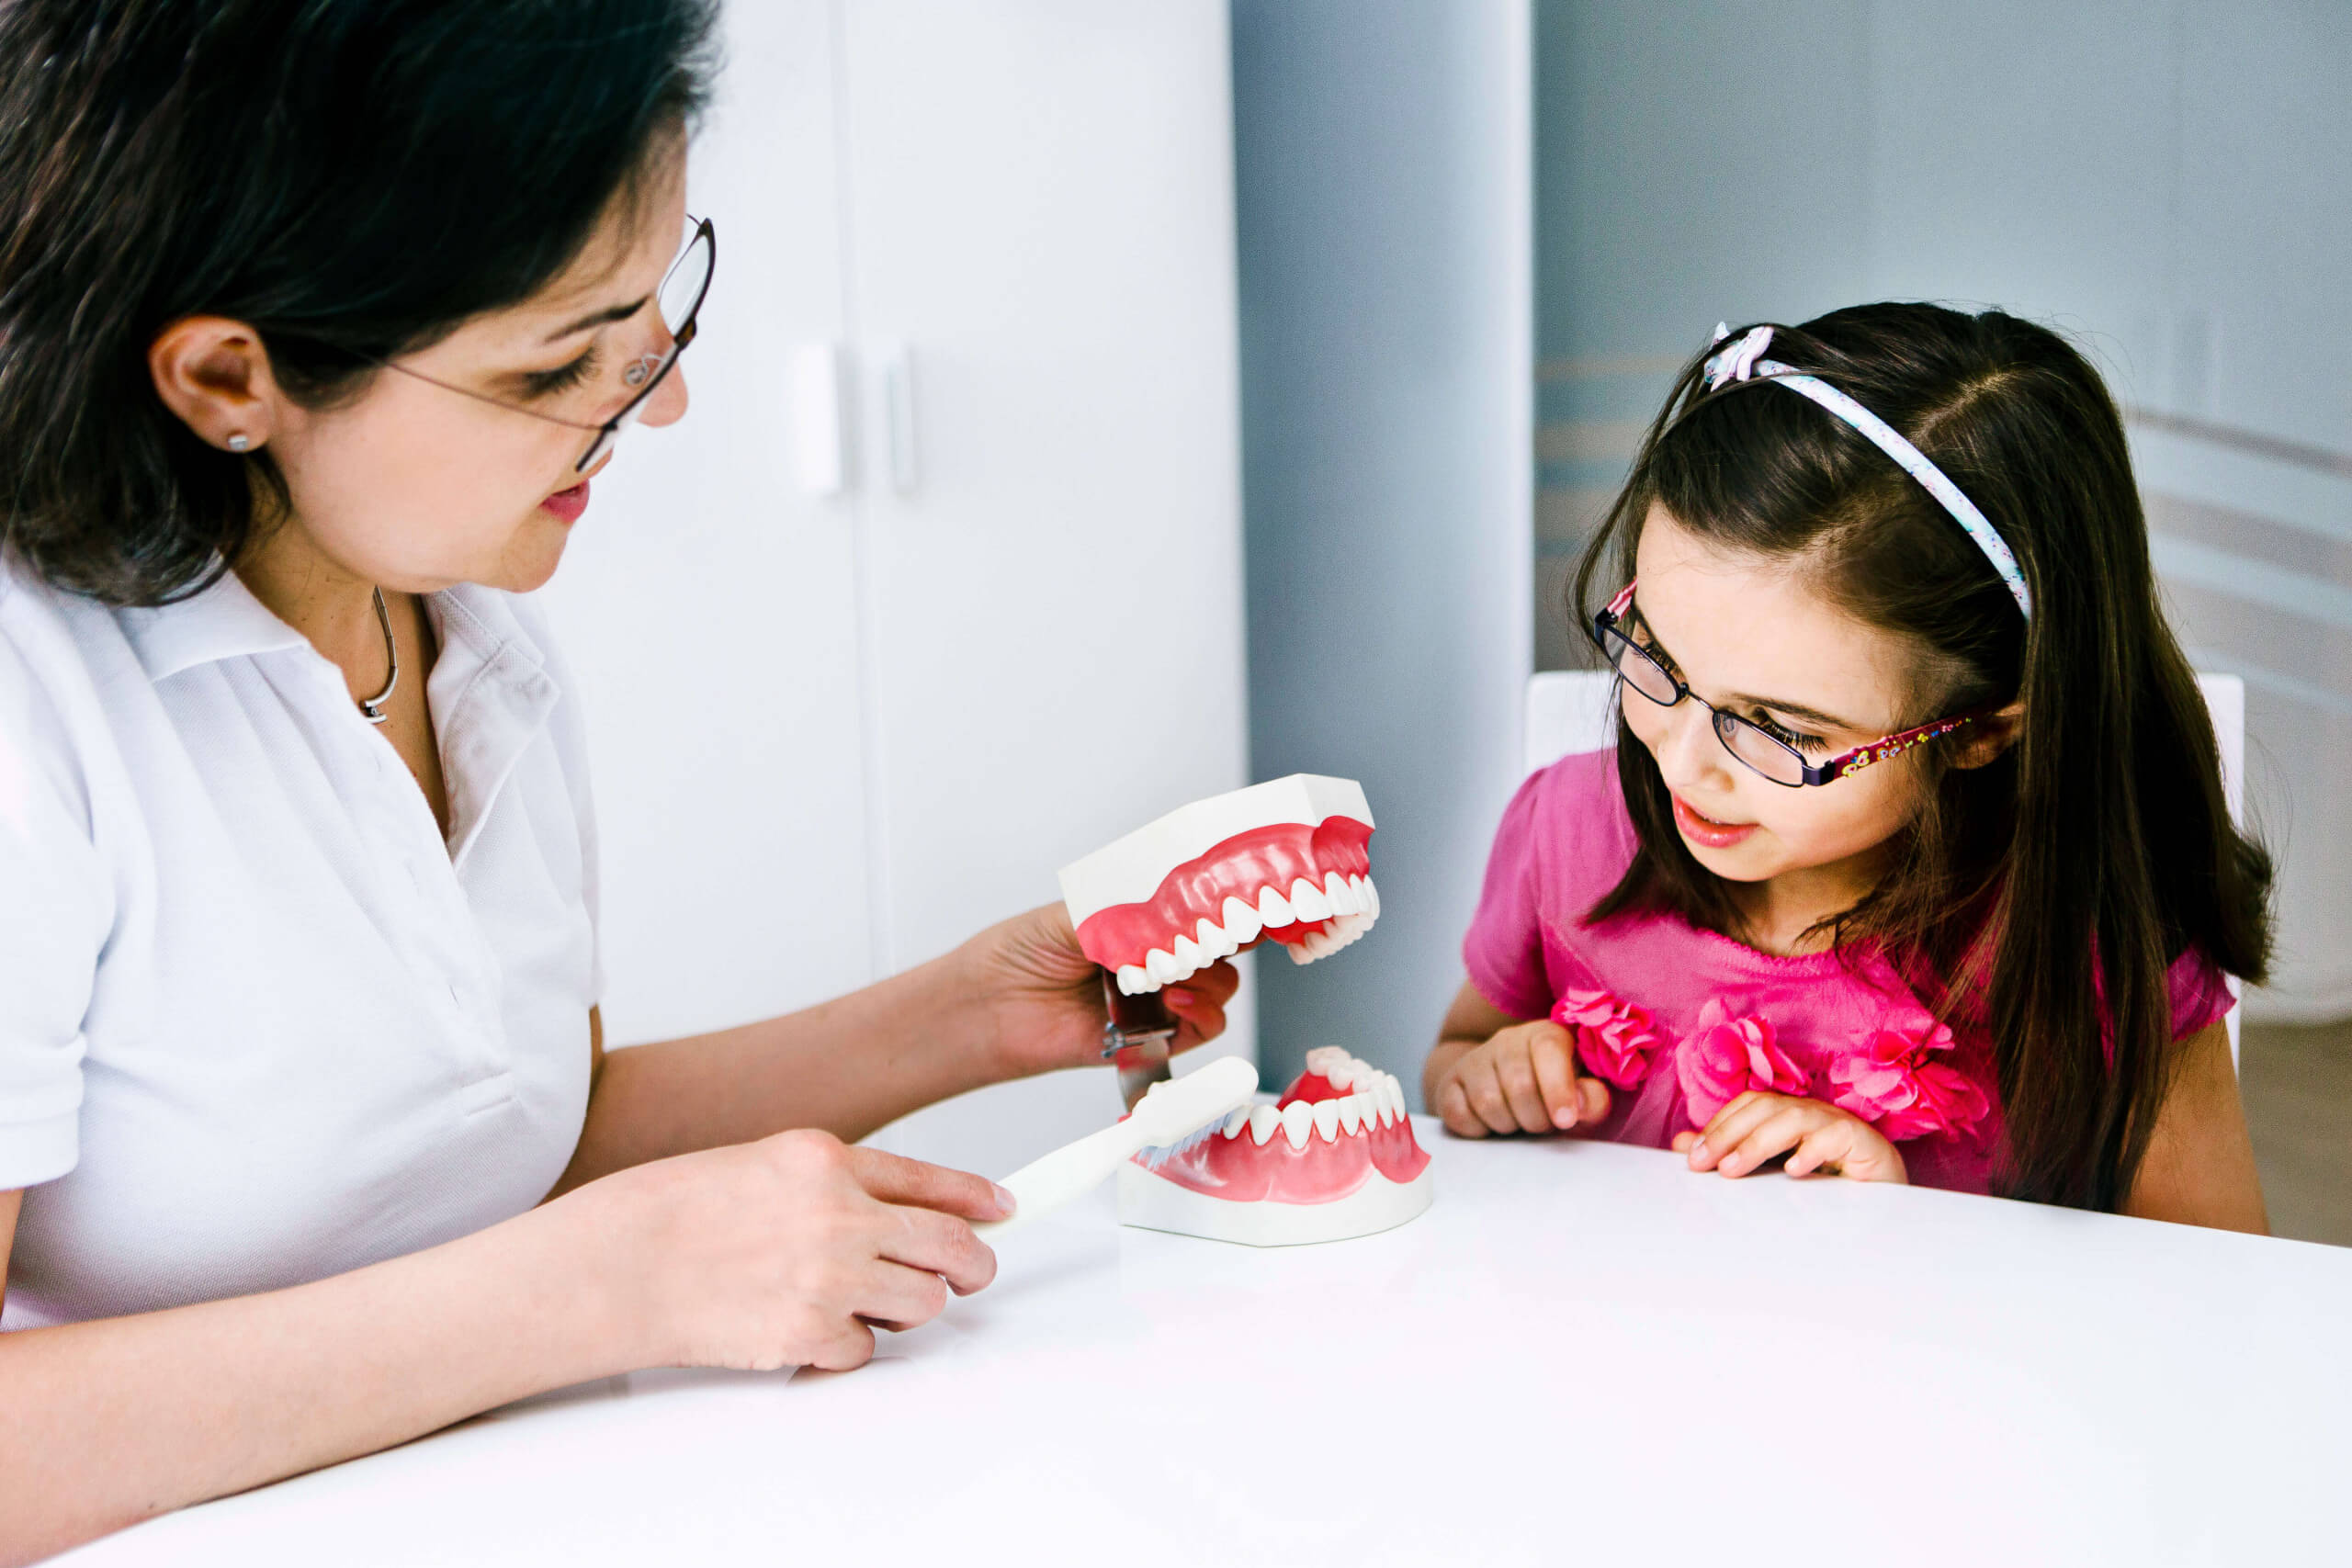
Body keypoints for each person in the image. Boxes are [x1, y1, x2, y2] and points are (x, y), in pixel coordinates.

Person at [0, 3, 1236, 1559]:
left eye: (655, 311)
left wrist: (970, 1015)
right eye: (555, 362)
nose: (659, 403)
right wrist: (593, 1286)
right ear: (227, 377)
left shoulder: (473, 637)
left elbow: (508, 1146)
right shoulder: (34, 711)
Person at [1422, 303, 2271, 1228]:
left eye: (1778, 729)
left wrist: (1898, 1236)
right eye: (1655, 656)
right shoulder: (1567, 832)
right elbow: (1459, 1053)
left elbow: (2214, 1273)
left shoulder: (2087, 948)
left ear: (1981, 731)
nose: (1685, 763)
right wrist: (1489, 1076)